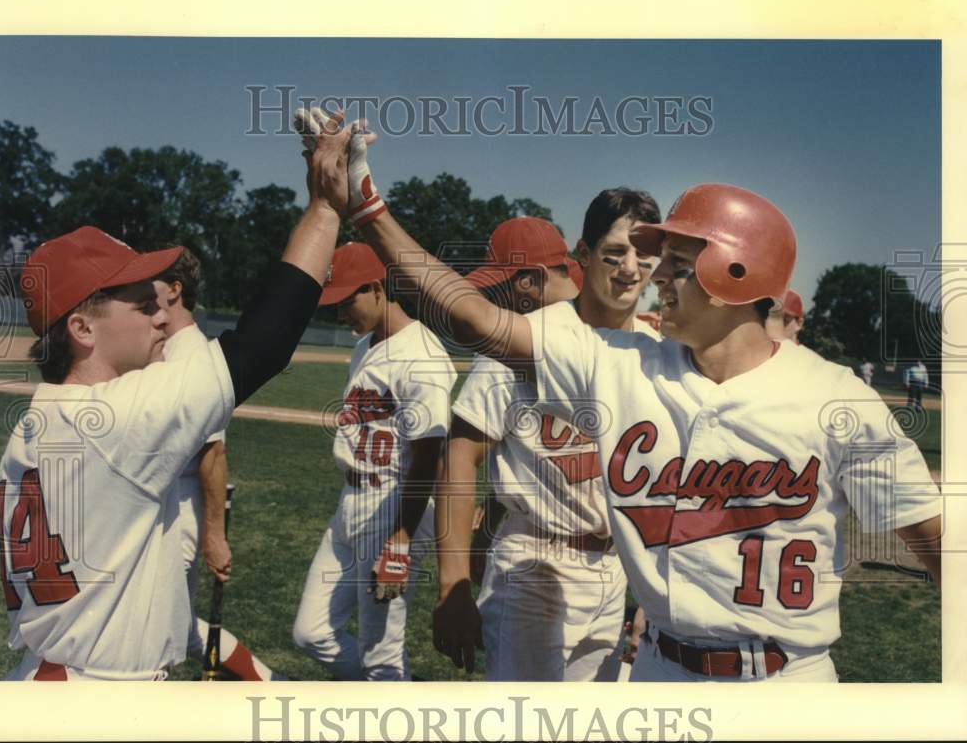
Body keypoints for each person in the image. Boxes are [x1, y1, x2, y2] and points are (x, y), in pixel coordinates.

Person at [309, 113, 942, 682]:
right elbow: (478, 321)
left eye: (677, 262)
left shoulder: (837, 398)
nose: (654, 275)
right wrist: (367, 204)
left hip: (788, 686)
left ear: (736, 273)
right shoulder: (622, 362)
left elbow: (938, 545)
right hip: (661, 668)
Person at [0, 108, 346, 680]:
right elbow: (262, 345)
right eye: (141, 304)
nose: (161, 316)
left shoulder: (49, 415)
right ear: (83, 330)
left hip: (57, 678)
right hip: (98, 700)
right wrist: (327, 207)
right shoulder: (114, 421)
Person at [433, 200, 660, 681]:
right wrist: (451, 586)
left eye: (641, 255)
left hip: (615, 566)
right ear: (584, 253)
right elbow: (460, 456)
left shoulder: (653, 348)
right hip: (535, 563)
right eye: (614, 252)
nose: (629, 268)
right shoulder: (519, 345)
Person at [291, 242, 456, 680]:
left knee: (380, 652)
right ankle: (387, 692)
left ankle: (386, 697)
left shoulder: (421, 356)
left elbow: (429, 457)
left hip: (392, 507)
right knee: (310, 633)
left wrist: (400, 539)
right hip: (351, 503)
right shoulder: (365, 345)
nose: (341, 313)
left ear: (378, 288)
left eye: (348, 301)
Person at [152, 246, 280, 680]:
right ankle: (272, 684)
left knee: (161, 640)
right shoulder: (168, 349)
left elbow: (213, 455)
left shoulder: (192, 357)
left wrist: (214, 536)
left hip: (183, 506)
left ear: (174, 289)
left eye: (149, 282)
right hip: (167, 500)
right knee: (183, 632)